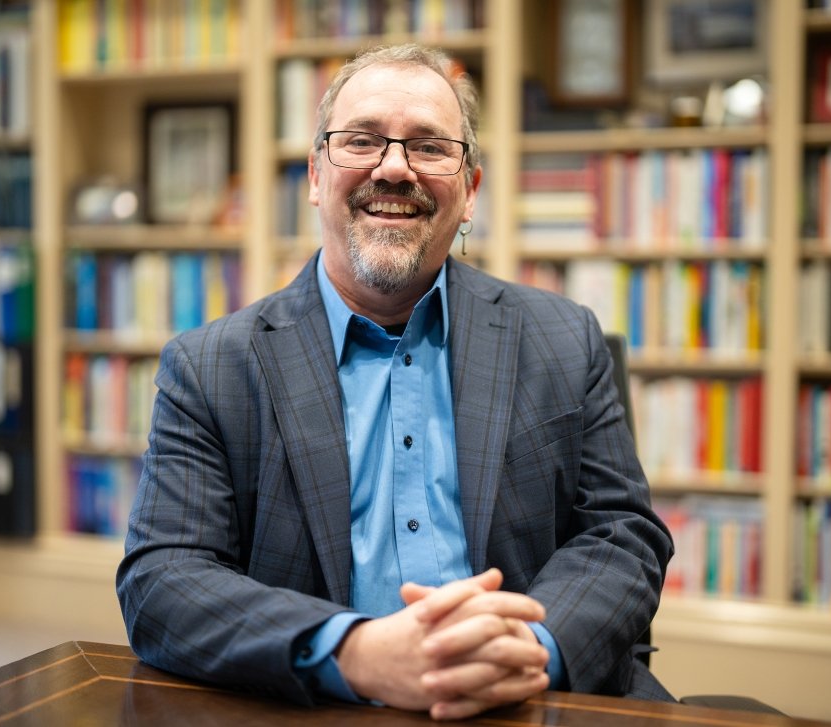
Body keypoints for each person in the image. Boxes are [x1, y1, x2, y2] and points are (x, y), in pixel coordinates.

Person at [116, 43, 674, 721]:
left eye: (430, 147)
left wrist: (530, 645)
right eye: (362, 140)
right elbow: (163, 581)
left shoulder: (563, 338)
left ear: (469, 192)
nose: (393, 167)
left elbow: (622, 532)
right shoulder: (209, 368)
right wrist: (356, 649)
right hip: (319, 706)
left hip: (534, 702)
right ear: (316, 177)